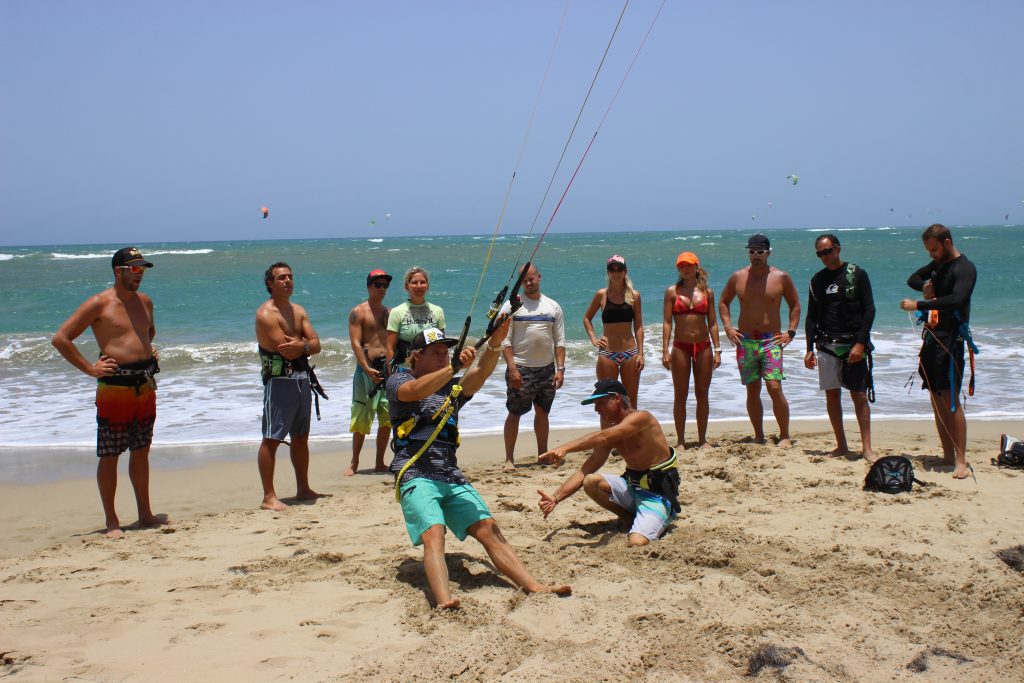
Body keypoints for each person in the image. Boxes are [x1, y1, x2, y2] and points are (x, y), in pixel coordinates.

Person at [385, 322, 571, 609]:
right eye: (434, 352)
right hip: (415, 472)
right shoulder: (398, 379)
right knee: (434, 533)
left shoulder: (451, 386)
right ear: (416, 356)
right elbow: (414, 391)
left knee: (489, 528)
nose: (442, 357)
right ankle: (444, 600)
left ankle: (533, 586)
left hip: (450, 473)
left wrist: (495, 344)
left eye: (445, 352)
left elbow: (481, 372)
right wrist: (453, 369)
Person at [51, 247, 165, 538]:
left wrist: (146, 351)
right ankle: (112, 521)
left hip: (145, 385)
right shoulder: (98, 304)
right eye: (135, 269)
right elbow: (61, 338)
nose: (140, 274)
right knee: (111, 453)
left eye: (143, 269)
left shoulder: (145, 302)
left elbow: (146, 333)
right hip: (115, 389)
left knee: (141, 451)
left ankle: (145, 513)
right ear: (119, 271)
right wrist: (91, 368)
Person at [537, 379, 680, 547]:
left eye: (601, 403)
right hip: (632, 488)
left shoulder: (642, 418)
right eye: (595, 404)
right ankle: (629, 518)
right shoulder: (609, 423)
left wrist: (566, 447)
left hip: (657, 494)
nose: (596, 409)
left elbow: (604, 437)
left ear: (617, 399)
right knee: (591, 481)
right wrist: (555, 498)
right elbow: (590, 465)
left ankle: (660, 516)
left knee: (636, 543)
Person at [900, 224, 978, 480]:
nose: (931, 254)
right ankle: (946, 454)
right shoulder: (938, 266)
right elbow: (912, 278)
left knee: (951, 400)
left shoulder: (964, 268)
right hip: (932, 338)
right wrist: (926, 286)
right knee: (935, 398)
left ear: (946, 242)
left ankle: (961, 461)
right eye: (928, 250)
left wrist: (920, 303)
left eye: (934, 249)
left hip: (951, 339)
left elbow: (957, 299)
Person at [255, 262, 329, 510]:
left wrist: (303, 345)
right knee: (272, 438)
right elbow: (285, 351)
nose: (287, 281)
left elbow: (316, 344)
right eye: (281, 278)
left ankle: (303, 488)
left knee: (300, 437)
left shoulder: (298, 310)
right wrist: (304, 345)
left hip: (301, 382)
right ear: (270, 284)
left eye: (290, 276)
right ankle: (269, 496)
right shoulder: (266, 314)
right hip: (279, 382)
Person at [718, 234, 801, 447]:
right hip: (745, 340)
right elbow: (723, 302)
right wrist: (727, 327)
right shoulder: (738, 277)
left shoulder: (781, 277)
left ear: (768, 253)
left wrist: (790, 332)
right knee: (752, 389)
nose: (755, 256)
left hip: (771, 340)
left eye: (760, 252)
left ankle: (784, 435)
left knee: (774, 387)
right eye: (752, 251)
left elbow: (795, 305)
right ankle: (759, 435)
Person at [804, 234, 877, 461]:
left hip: (852, 345)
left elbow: (870, 310)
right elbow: (811, 316)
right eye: (819, 254)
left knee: (859, 396)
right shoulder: (817, 280)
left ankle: (867, 448)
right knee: (832, 396)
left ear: (837, 249)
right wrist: (808, 348)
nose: (824, 257)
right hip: (826, 344)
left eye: (827, 251)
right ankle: (841, 445)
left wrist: (861, 343)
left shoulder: (856, 274)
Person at [501, 264, 566, 470]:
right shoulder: (512, 306)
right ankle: (509, 459)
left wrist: (560, 370)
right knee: (515, 413)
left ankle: (542, 454)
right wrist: (512, 368)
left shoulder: (553, 306)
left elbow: (560, 341)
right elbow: (505, 341)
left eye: (531, 279)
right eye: (524, 280)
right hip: (521, 368)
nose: (528, 283)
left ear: (539, 277)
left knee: (542, 412)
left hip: (547, 369)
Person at [661, 251, 721, 449]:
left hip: (703, 346)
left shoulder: (707, 293)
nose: (685, 269)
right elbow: (667, 322)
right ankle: (680, 441)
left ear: (696, 266)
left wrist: (718, 349)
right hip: (681, 347)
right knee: (680, 395)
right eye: (681, 266)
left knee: (702, 394)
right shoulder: (672, 292)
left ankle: (703, 439)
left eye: (688, 265)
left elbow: (712, 322)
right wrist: (665, 350)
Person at [345, 269, 393, 476]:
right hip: (366, 371)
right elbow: (355, 343)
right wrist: (365, 367)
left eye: (384, 285)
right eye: (377, 285)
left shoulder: (388, 313)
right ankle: (354, 462)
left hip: (386, 371)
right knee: (362, 417)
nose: (381, 289)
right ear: (369, 287)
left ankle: (380, 462)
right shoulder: (358, 312)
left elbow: (393, 341)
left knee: (387, 417)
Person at [583, 255, 645, 407]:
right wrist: (593, 339)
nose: (616, 273)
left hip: (630, 353)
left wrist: (641, 354)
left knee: (630, 402)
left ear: (625, 271)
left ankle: (629, 432)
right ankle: (607, 432)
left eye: (619, 269)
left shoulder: (634, 296)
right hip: (607, 354)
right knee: (606, 402)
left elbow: (638, 326)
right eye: (612, 269)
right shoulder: (601, 295)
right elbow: (586, 318)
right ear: (608, 272)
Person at [386, 266, 445, 367]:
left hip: (431, 369)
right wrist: (392, 376)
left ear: (427, 286)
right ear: (407, 286)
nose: (419, 286)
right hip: (405, 370)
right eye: (414, 282)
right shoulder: (397, 312)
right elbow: (390, 348)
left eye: (422, 282)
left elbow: (442, 346)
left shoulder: (437, 311)